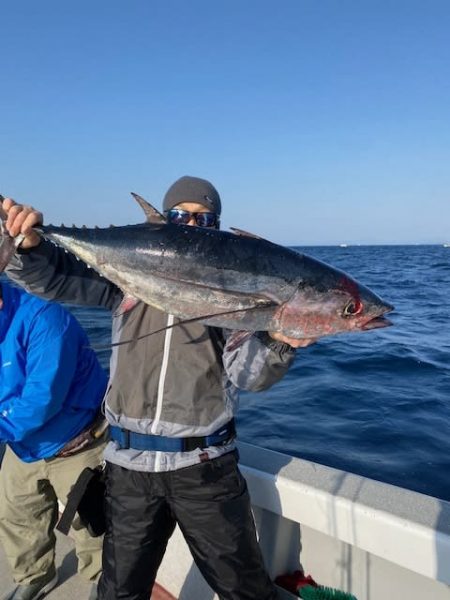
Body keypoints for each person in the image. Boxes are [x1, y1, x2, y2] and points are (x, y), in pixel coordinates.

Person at [2, 176, 315, 600]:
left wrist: (279, 341)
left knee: (245, 591)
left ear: (217, 229)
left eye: (203, 219)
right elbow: (56, 280)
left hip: (205, 468)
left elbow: (249, 378)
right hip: (128, 468)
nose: (190, 224)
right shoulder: (124, 282)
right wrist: (30, 245)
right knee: (118, 593)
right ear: (160, 222)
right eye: (178, 216)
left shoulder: (231, 296)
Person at [0, 280, 108, 600]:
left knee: (90, 526)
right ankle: (36, 576)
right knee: (18, 515)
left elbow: (42, 400)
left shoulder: (45, 318)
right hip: (22, 444)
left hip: (77, 440)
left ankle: (102, 582)